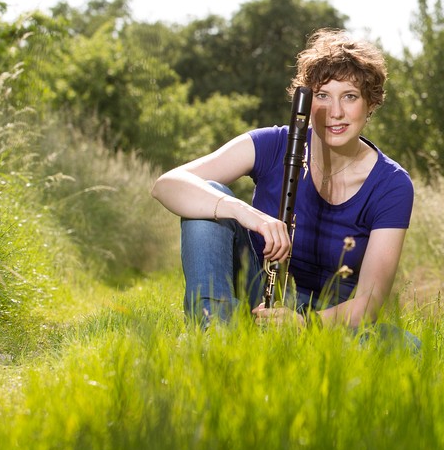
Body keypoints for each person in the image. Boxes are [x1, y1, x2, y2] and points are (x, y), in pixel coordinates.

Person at [150, 28, 416, 347]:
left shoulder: (392, 184)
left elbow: (370, 302)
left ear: (370, 103)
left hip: (328, 320)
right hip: (258, 296)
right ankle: (215, 334)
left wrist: (304, 324)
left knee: (406, 347)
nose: (335, 112)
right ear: (305, 101)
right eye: (322, 95)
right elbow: (167, 184)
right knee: (208, 196)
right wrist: (244, 212)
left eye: (350, 96)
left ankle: (293, 347)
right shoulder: (274, 143)